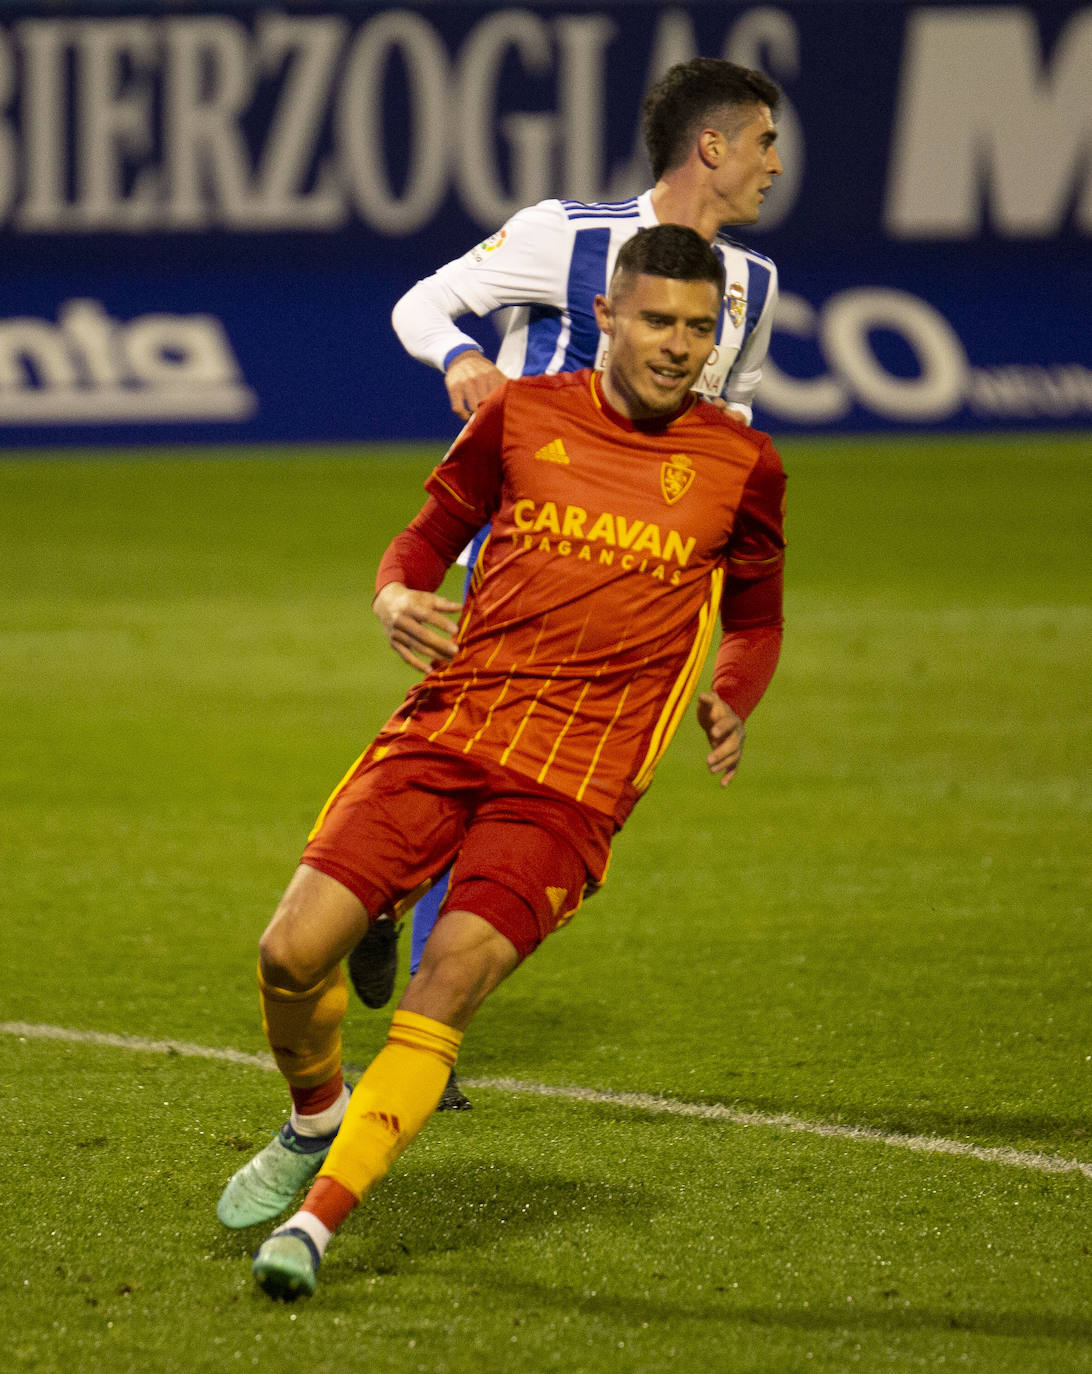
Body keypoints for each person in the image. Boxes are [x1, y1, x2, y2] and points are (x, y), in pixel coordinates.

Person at [217, 224, 787, 1300]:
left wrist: (734, 695)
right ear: (607, 317)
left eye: (700, 329)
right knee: (291, 955)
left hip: (575, 782)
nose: (678, 345)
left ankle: (316, 1224)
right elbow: (428, 535)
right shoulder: (523, 416)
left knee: (446, 986)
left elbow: (756, 617)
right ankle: (314, 1119)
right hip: (449, 731)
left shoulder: (741, 464)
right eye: (657, 320)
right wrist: (394, 593)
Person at [348, 58, 785, 1078]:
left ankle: (401, 926)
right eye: (764, 140)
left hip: (644, 566)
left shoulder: (753, 286)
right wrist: (460, 359)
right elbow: (424, 302)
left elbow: (736, 418)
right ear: (712, 146)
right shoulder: (566, 234)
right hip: (521, 545)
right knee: (490, 757)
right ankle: (420, 999)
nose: (775, 163)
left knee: (541, 778)